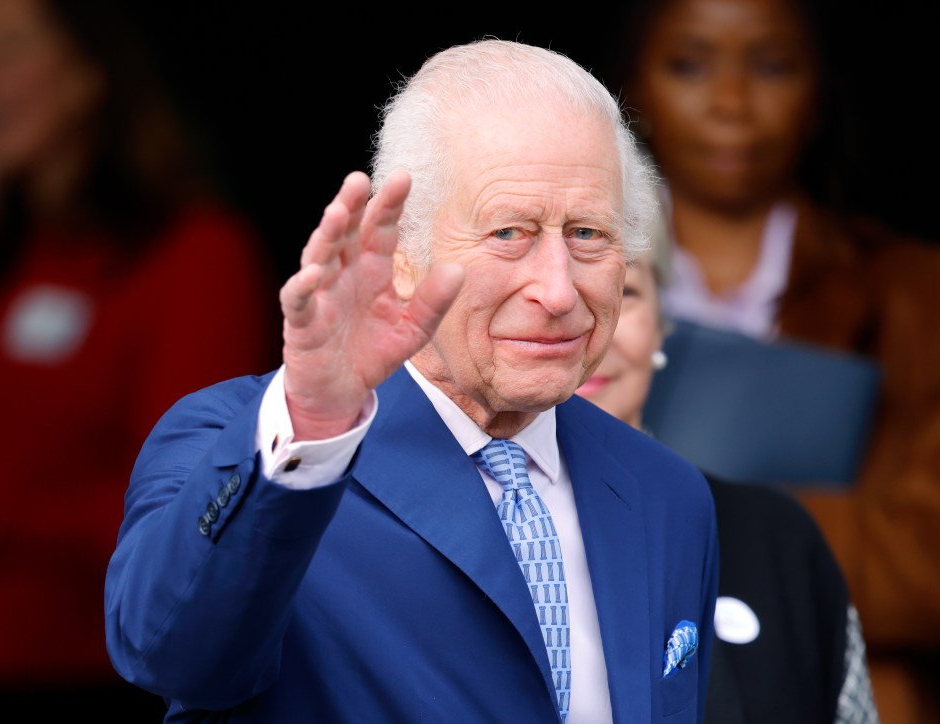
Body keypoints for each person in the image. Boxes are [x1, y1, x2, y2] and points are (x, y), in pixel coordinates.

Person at [104, 38, 720, 722]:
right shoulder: (258, 448)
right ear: (401, 253)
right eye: (509, 232)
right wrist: (313, 424)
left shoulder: (665, 493)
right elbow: (169, 655)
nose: (558, 289)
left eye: (587, 234)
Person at [602, 0, 940, 720]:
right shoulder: (564, 274)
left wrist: (729, 523)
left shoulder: (910, 293)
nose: (730, 104)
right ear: (633, 87)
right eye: (690, 64)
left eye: (773, 66)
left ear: (819, 89)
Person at [0, 0, 278, 715]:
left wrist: (5, 521)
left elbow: (199, 498)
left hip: (100, 676)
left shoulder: (196, 258)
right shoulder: (6, 261)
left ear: (87, 74)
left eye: (6, 50)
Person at [575, 196, 880, 723]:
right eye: (559, 298)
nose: (592, 329)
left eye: (624, 291)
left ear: (662, 330)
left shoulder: (779, 538)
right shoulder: (450, 526)